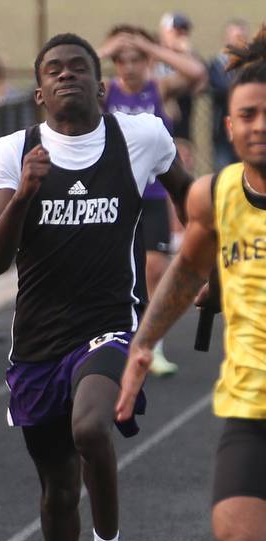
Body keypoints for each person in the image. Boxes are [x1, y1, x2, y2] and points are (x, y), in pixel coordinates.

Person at [0, 33, 193, 541]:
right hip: (38, 345)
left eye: (80, 69)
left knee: (92, 429)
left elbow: (194, 196)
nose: (67, 76)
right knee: (56, 492)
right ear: (39, 91)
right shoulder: (11, 153)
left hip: (109, 328)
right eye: (54, 70)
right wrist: (25, 193)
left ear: (102, 88)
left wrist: (200, 262)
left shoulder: (141, 139)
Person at [117, 27, 266, 541]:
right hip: (249, 404)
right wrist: (144, 345)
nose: (259, 127)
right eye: (248, 115)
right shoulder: (216, 195)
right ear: (228, 124)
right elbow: (185, 271)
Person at [100, 24, 207, 376]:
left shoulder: (157, 88)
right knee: (115, 269)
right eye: (122, 59)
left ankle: (152, 345)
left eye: (137, 59)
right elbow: (67, 78)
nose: (129, 67)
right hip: (116, 192)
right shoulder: (105, 93)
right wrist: (105, 48)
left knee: (157, 267)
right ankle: (114, 339)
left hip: (155, 191)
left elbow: (195, 72)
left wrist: (153, 47)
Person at [156, 12, 205, 141]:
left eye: (185, 32)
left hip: (182, 128)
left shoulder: (191, 58)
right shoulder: (153, 56)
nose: (182, 36)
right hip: (156, 124)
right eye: (177, 32)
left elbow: (201, 84)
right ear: (164, 32)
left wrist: (187, 52)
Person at [209, 19, 251, 170]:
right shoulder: (216, 64)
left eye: (243, 37)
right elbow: (222, 87)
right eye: (236, 36)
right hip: (223, 133)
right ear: (226, 39)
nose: (240, 41)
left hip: (248, 130)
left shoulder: (253, 64)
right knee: (224, 174)